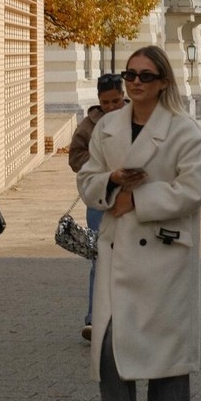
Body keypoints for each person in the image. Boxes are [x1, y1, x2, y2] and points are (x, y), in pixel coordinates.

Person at [77, 45, 201, 401]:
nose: (135, 82)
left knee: (165, 353)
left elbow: (192, 190)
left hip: (165, 255)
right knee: (111, 347)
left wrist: (139, 199)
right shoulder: (108, 127)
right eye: (129, 74)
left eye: (145, 76)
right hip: (118, 251)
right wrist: (112, 183)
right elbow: (87, 176)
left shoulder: (184, 131)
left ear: (163, 82)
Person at [68, 74, 127, 341]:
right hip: (99, 199)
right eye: (106, 102)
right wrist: (98, 169)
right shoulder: (89, 125)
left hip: (130, 198)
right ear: (99, 100)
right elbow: (75, 157)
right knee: (100, 258)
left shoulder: (136, 118)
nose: (112, 107)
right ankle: (94, 319)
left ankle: (127, 317)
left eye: (116, 101)